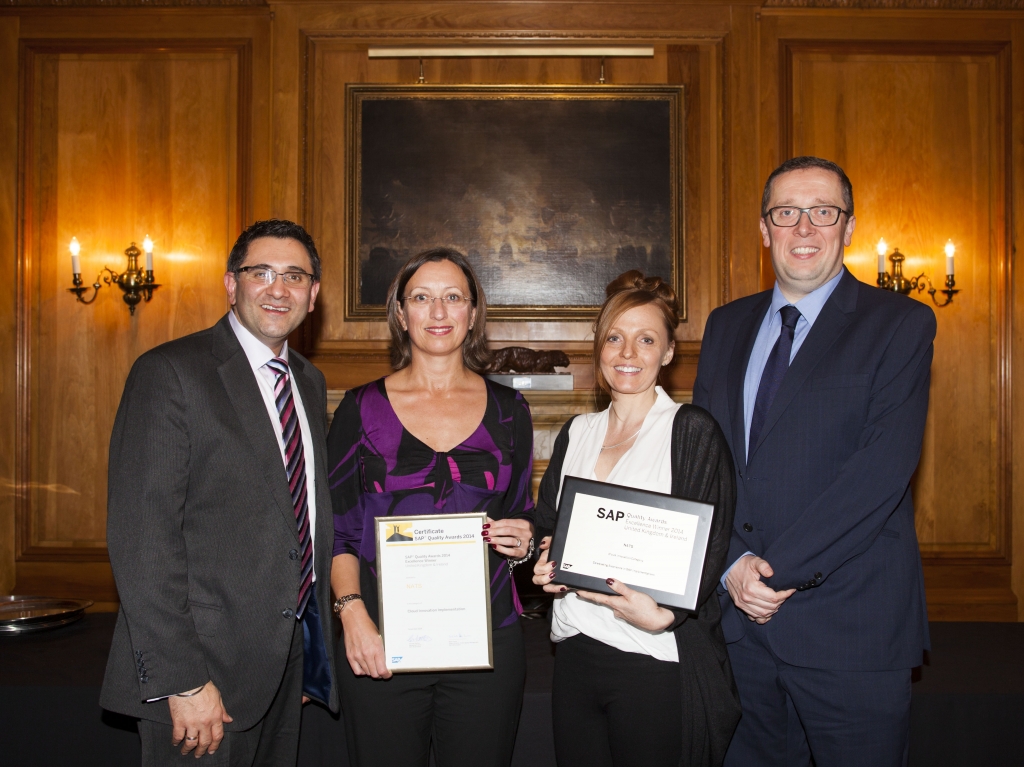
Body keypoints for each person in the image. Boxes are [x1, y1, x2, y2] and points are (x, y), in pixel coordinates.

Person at [692, 156, 936, 767]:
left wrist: (770, 575)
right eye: (787, 213)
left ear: (848, 228)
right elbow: (704, 461)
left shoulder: (899, 324)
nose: (804, 228)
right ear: (764, 228)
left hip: (850, 628)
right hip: (738, 631)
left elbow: (880, 471)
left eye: (823, 212)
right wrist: (731, 566)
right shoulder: (725, 326)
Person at [100, 220, 338, 765]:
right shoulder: (171, 373)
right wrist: (182, 681)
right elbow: (141, 540)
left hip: (280, 672)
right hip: (201, 679)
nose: (279, 289)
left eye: (295, 276)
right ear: (232, 284)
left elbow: (300, 523)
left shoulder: (307, 380)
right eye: (262, 273)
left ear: (314, 294)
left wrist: (303, 655)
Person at [327, 247, 535, 767]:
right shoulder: (359, 408)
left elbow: (523, 514)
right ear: (401, 313)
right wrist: (352, 616)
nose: (438, 313)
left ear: (472, 313)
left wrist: (524, 537)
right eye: (422, 297)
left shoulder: (511, 411)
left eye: (452, 298)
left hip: (486, 641)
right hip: (380, 640)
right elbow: (339, 530)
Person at [532, 270, 741, 767]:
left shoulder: (691, 431)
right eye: (615, 338)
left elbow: (711, 543)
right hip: (576, 650)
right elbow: (548, 522)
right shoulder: (577, 431)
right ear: (599, 347)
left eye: (645, 340)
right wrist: (546, 560)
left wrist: (667, 616)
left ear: (668, 352)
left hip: (652, 654)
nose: (627, 354)